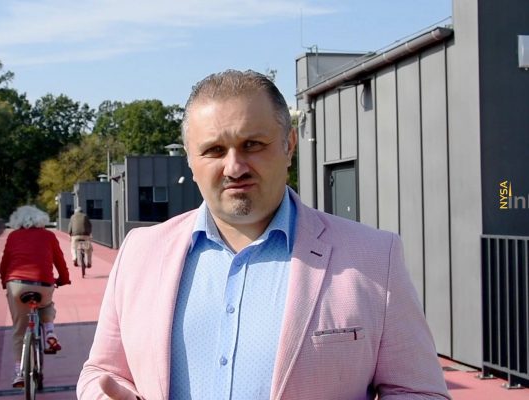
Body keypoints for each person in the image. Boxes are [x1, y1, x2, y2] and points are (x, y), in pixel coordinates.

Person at [77, 70, 450, 399]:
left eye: (252, 145)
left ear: (289, 146)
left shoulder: (374, 257)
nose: (234, 167)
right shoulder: (141, 252)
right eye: (214, 150)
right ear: (190, 160)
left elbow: (420, 392)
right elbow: (101, 371)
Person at [0, 205, 71, 388]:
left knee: (20, 330)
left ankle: (19, 373)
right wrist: (64, 279)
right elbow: (59, 261)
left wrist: (5, 283)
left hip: (16, 285)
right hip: (43, 283)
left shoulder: (13, 236)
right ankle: (49, 332)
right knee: (46, 304)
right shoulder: (48, 236)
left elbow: (5, 263)